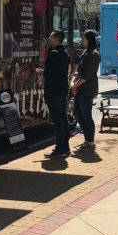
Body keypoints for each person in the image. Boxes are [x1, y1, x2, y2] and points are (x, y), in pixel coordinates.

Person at [37, 30, 71, 158]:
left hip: (54, 91)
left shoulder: (54, 54)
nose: (49, 38)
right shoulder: (64, 52)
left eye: (51, 36)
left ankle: (60, 148)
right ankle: (65, 147)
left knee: (58, 120)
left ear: (56, 38)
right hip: (62, 90)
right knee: (63, 118)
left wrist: (42, 73)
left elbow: (52, 74)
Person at [70, 30, 101, 151]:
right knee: (77, 113)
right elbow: (78, 71)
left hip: (87, 89)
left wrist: (75, 85)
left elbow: (87, 75)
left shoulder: (93, 54)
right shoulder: (85, 53)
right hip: (80, 88)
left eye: (83, 38)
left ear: (89, 40)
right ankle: (87, 139)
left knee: (86, 115)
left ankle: (90, 141)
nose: (81, 40)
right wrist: (73, 82)